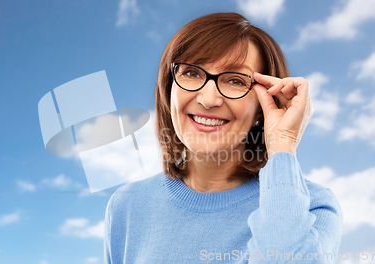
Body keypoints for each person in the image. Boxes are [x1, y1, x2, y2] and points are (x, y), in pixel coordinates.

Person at [104, 12, 343, 263]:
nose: (208, 100)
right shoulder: (127, 206)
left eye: (235, 81)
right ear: (168, 89)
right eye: (192, 73)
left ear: (263, 107)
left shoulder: (313, 208)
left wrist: (282, 143)